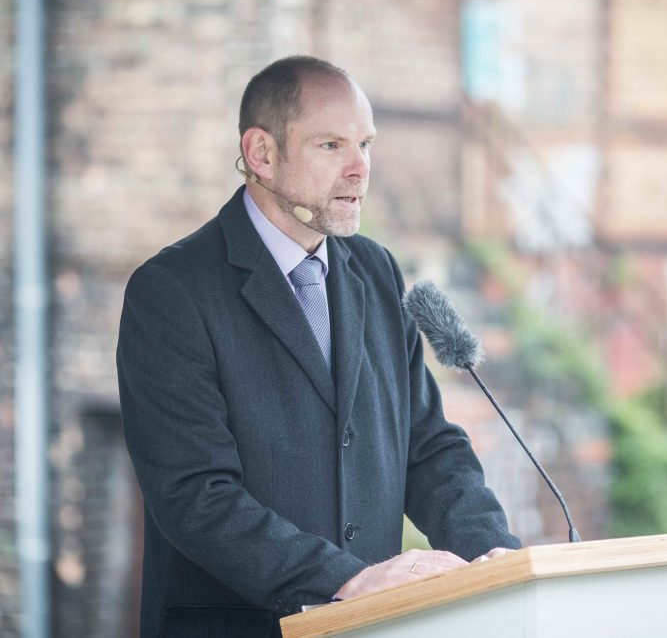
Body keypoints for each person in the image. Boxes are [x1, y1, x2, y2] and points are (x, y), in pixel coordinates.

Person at [117, 55, 520, 638]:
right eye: (331, 146)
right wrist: (347, 580)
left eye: (366, 144)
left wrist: (492, 555)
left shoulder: (377, 271)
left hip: (370, 628)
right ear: (261, 154)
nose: (360, 169)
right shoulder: (172, 290)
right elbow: (194, 495)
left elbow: (428, 447)